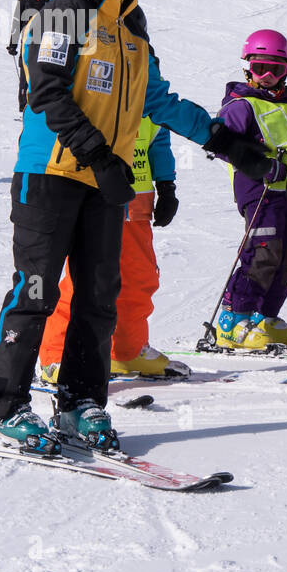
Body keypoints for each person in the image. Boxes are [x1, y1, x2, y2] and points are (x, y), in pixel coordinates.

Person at [0, 0, 278, 447]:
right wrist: (102, 159)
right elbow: (46, 94)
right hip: (50, 175)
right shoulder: (66, 10)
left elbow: (157, 100)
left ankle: (80, 402)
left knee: (99, 296)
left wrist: (231, 146)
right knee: (37, 291)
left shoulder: (130, 23)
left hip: (102, 183)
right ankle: (2, 409)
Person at [36, 116, 181, 383]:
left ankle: (127, 351)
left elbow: (158, 140)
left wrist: (166, 185)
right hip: (95, 198)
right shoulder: (100, 83)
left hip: (136, 203)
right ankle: (56, 356)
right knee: (85, 280)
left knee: (140, 278)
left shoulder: (151, 93)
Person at [211, 30, 287, 349]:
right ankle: (235, 318)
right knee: (264, 251)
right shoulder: (241, 106)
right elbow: (220, 144)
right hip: (258, 192)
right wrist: (255, 160)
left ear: (286, 69)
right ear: (248, 68)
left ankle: (264, 315)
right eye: (260, 68)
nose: (268, 76)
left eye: (276, 69)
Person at [8, 0, 50, 111]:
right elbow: (16, 24)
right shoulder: (24, 1)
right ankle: (23, 108)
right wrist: (12, 45)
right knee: (25, 74)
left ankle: (42, 107)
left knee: (43, 73)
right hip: (28, 43)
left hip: (46, 43)